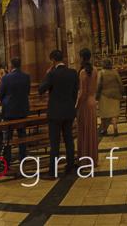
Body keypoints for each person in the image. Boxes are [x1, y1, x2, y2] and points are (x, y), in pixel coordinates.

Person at [39, 49, 79, 177]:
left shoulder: (52, 74)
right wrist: (70, 105)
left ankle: (53, 171)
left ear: (53, 60)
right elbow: (74, 92)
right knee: (69, 140)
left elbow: (41, 89)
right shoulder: (73, 73)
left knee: (55, 143)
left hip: (55, 113)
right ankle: (70, 167)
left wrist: (47, 74)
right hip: (69, 111)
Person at [0, 57, 30, 165]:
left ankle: (7, 158)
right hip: (22, 109)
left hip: (9, 110)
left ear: (11, 65)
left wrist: (5, 101)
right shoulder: (26, 76)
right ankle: (23, 156)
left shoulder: (6, 78)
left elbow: (0, 94)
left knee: (8, 136)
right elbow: (27, 92)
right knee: (22, 134)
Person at [77, 48, 99, 164]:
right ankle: (93, 158)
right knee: (91, 131)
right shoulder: (95, 70)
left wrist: (77, 105)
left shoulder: (82, 72)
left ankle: (84, 159)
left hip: (85, 104)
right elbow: (94, 88)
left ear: (81, 57)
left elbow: (82, 92)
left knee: (84, 131)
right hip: (92, 102)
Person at [96, 59, 123, 136]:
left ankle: (104, 130)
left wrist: (97, 96)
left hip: (104, 95)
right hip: (115, 95)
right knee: (114, 113)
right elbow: (120, 83)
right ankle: (115, 128)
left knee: (104, 114)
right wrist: (121, 92)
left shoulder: (101, 73)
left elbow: (98, 85)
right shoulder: (115, 72)